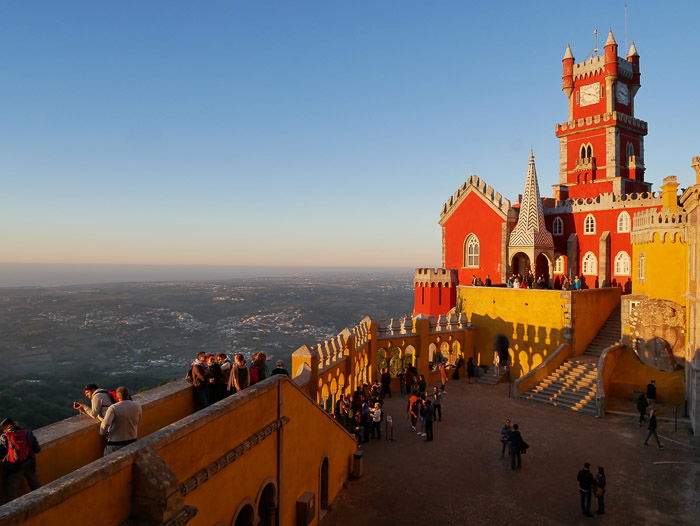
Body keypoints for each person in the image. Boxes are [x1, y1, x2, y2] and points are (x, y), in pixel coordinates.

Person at [0, 417, 41, 501]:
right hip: (29, 464)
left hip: (14, 468)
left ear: (5, 428)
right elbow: (37, 449)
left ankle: (13, 512)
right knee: (36, 487)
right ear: (14, 423)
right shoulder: (28, 433)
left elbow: (1, 454)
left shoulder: (4, 437)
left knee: (11, 493)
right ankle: (43, 502)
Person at [99, 387, 142, 456]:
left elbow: (105, 424)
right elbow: (138, 421)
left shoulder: (114, 407)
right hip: (132, 441)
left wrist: (103, 433)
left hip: (115, 443)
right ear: (128, 394)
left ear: (116, 396)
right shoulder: (137, 406)